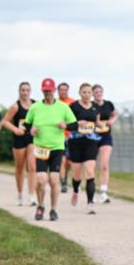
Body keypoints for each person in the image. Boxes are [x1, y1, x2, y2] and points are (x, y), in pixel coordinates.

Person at [25, 78, 78, 221]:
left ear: (54, 90)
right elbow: (26, 125)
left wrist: (65, 125)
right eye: (45, 90)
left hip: (56, 148)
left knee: (54, 180)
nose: (47, 93)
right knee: (41, 179)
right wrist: (31, 130)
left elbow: (75, 125)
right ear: (42, 91)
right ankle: (41, 206)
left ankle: (54, 209)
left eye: (50, 90)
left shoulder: (63, 107)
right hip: (41, 147)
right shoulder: (35, 107)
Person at [68, 83, 104, 214]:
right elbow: (67, 125)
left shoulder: (95, 107)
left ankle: (90, 203)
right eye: (84, 92)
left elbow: (97, 122)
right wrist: (77, 123)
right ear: (79, 93)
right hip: (75, 142)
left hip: (91, 142)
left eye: (89, 92)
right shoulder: (73, 106)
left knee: (90, 172)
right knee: (77, 174)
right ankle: (76, 191)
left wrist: (99, 125)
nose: (87, 95)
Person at [1, 82, 37, 206]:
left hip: (32, 138)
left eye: (27, 90)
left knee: (32, 167)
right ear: (19, 91)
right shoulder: (15, 107)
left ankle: (32, 196)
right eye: (23, 90)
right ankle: (20, 194)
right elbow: (5, 122)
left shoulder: (36, 105)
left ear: (30, 91)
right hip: (19, 138)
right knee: (19, 167)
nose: (25, 92)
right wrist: (15, 129)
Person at [92, 84, 117, 203]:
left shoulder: (108, 104)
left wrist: (112, 121)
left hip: (106, 136)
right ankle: (91, 190)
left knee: (104, 165)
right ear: (92, 94)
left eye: (100, 91)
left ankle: (103, 192)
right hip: (92, 136)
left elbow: (114, 114)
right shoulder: (91, 105)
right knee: (91, 165)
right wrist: (96, 123)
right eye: (96, 92)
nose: (98, 93)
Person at [56, 82, 76, 194]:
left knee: (69, 162)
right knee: (62, 160)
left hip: (71, 135)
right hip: (59, 135)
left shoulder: (73, 102)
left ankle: (65, 175)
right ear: (58, 91)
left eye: (65, 90)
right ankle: (63, 182)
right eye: (61, 90)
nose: (63, 92)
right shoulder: (55, 103)